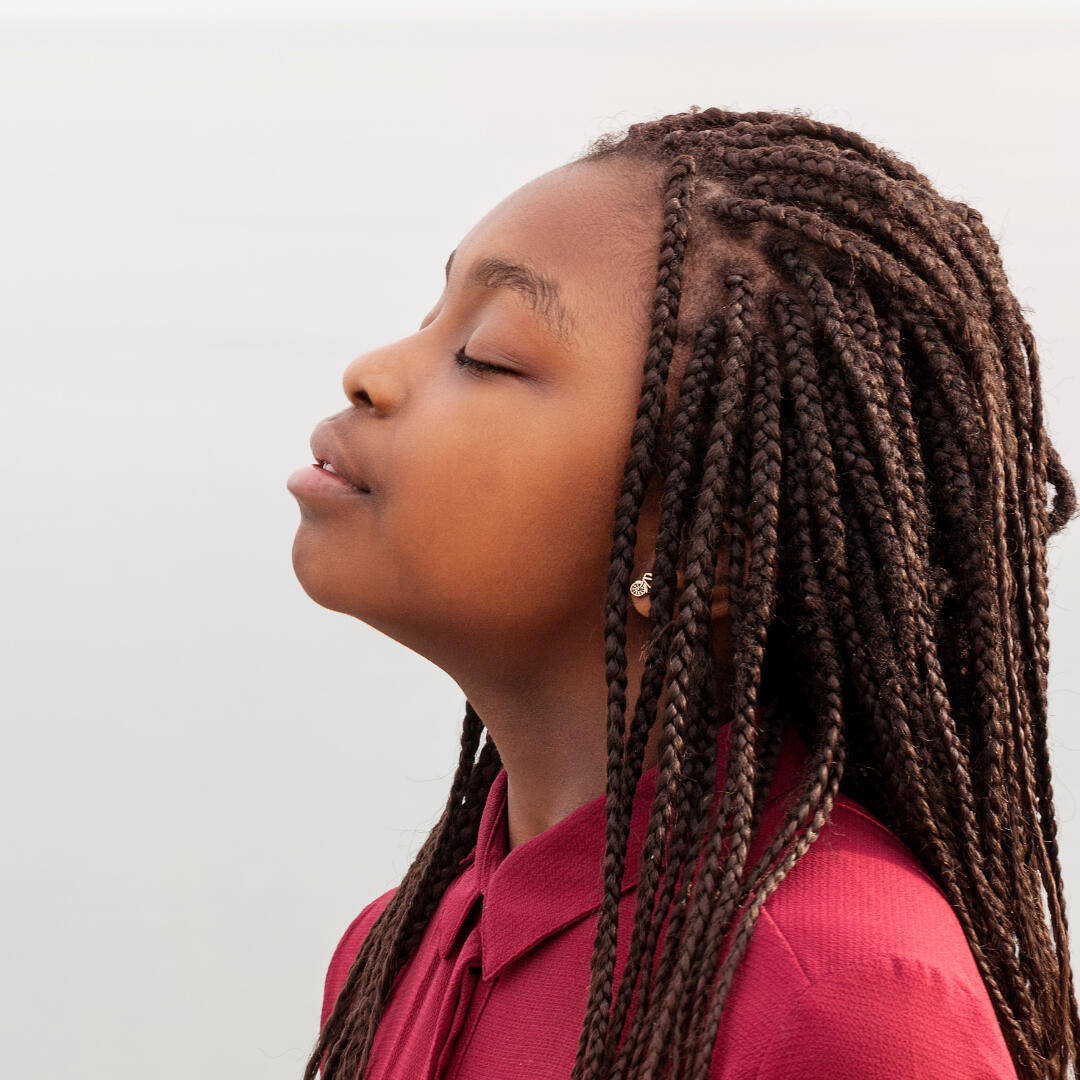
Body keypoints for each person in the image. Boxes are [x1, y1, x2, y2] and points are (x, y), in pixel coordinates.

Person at [286, 105, 1079, 1079]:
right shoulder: (395, 950)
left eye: (485, 357)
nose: (370, 373)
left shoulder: (848, 993)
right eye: (430, 317)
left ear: (724, 547)